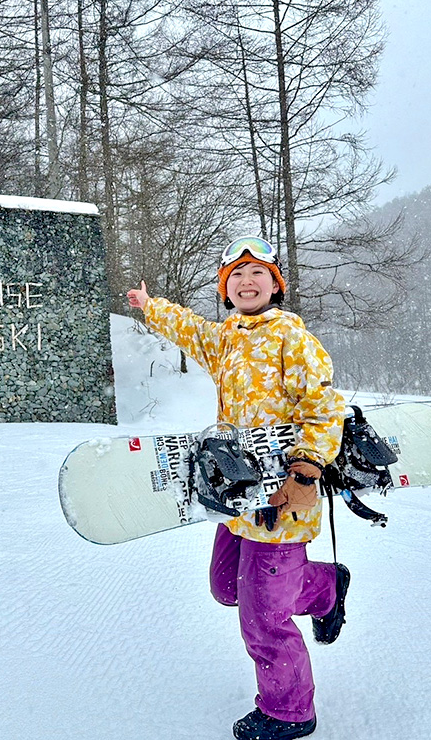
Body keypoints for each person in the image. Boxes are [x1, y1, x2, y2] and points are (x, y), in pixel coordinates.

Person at [126, 236, 349, 740]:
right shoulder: (226, 337)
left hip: (284, 499)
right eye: (237, 276)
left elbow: (323, 408)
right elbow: (189, 328)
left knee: (264, 617)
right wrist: (150, 306)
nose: (248, 283)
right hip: (239, 495)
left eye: (258, 274)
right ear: (226, 289)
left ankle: (289, 712)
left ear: (275, 284)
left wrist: (305, 472)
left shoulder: (291, 337)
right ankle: (325, 587)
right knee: (227, 585)